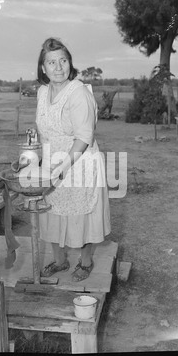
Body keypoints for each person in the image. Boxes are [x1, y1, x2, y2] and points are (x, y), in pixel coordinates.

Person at [35, 37, 111, 282]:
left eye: (63, 60)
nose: (58, 67)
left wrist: (63, 166)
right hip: (52, 163)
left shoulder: (78, 92)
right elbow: (43, 128)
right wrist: (40, 158)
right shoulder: (42, 92)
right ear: (43, 68)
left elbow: (84, 137)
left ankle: (86, 261)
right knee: (53, 212)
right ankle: (60, 261)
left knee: (81, 215)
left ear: (70, 63)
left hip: (79, 163)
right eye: (51, 62)